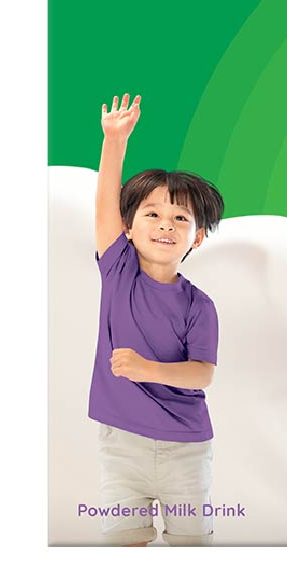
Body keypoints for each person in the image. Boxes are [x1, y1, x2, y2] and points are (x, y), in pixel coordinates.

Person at [89, 93, 225, 545]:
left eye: (180, 218)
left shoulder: (199, 305)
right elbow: (105, 206)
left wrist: (147, 369)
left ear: (197, 238)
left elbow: (202, 373)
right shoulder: (118, 270)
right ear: (129, 228)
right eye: (152, 214)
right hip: (121, 445)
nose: (166, 224)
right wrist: (114, 141)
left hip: (185, 447)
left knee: (191, 545)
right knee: (123, 544)